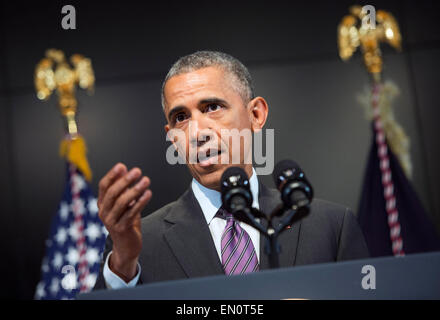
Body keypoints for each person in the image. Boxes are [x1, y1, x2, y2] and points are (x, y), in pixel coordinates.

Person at [93, 51, 369, 290]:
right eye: (181, 117)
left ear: (256, 115)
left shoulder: (331, 226)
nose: (197, 132)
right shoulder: (137, 247)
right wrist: (124, 263)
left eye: (212, 107)